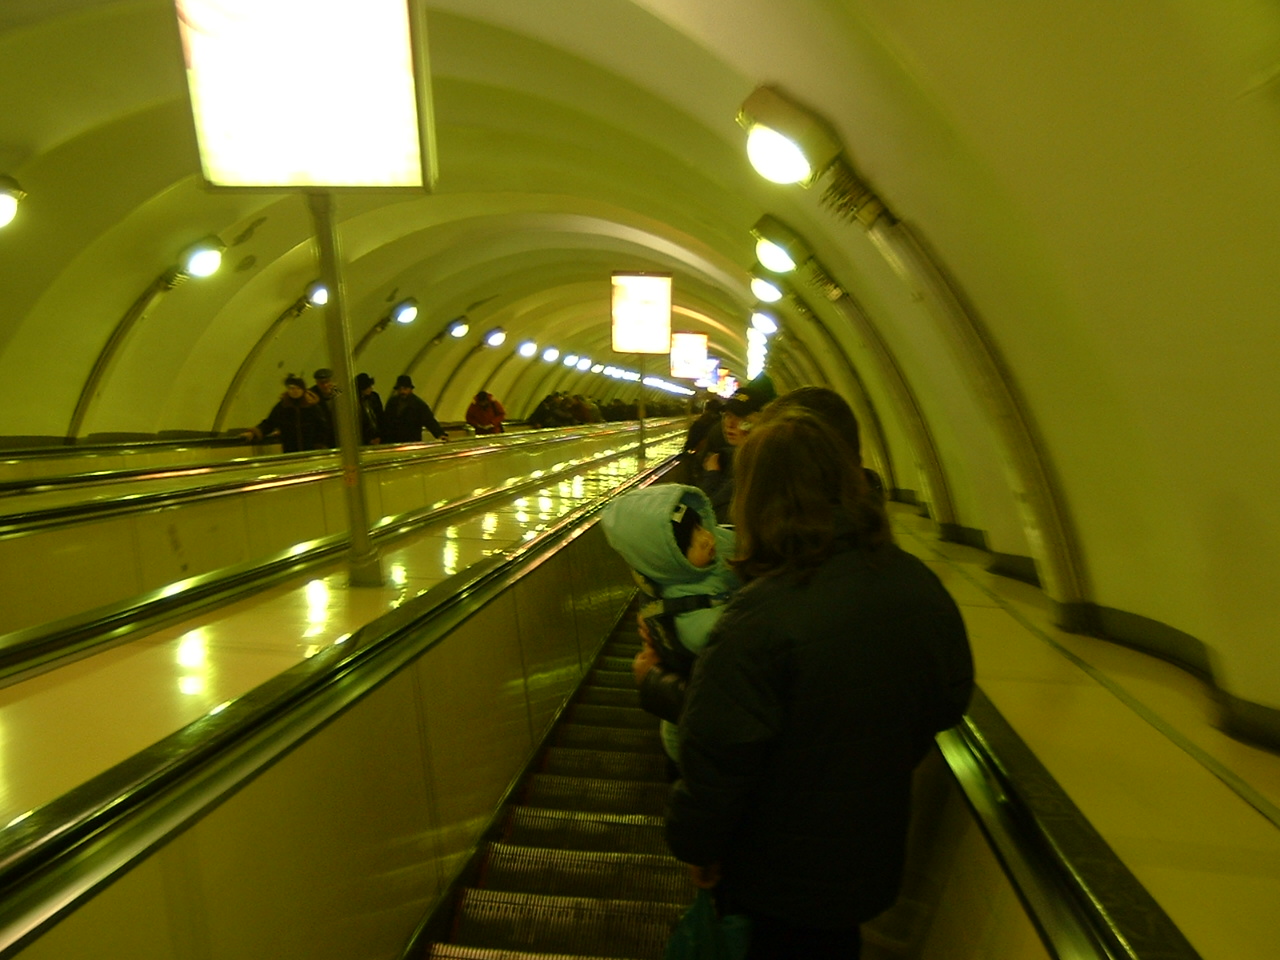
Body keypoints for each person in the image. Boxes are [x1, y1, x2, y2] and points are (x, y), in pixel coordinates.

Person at [665, 408, 974, 960]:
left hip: (772, 872)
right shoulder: (918, 584)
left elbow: (717, 757)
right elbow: (949, 698)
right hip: (867, 854)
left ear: (756, 499)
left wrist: (698, 847)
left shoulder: (760, 618)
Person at [600, 484, 739, 767]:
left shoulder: (710, 553)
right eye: (690, 543)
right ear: (667, 561)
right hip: (693, 740)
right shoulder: (697, 623)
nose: (706, 538)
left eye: (700, 526)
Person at [695, 373, 776, 524]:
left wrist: (712, 476)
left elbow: (706, 512)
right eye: (727, 415)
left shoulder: (761, 466)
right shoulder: (727, 459)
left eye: (740, 417)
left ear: (759, 420)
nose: (729, 424)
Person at [241, 374, 327, 453]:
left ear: (303, 390)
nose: (294, 391)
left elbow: (322, 427)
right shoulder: (283, 406)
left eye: (298, 388)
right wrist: (254, 432)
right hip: (290, 451)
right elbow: (269, 423)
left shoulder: (312, 406)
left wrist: (320, 444)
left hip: (311, 450)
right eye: (291, 388)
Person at [382, 375, 448, 443]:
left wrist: (440, 434)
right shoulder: (392, 403)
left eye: (405, 389)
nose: (402, 392)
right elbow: (386, 422)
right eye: (400, 389)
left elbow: (429, 420)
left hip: (411, 441)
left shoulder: (418, 405)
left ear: (410, 389)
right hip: (393, 441)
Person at [310, 367, 338, 448]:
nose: (325, 385)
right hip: (321, 440)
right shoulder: (311, 395)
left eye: (327, 382)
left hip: (339, 436)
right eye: (321, 383)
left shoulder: (339, 393)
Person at [355, 372, 383, 445]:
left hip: (377, 435)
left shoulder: (374, 397)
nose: (371, 388)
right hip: (366, 439)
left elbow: (380, 417)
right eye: (368, 387)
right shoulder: (356, 402)